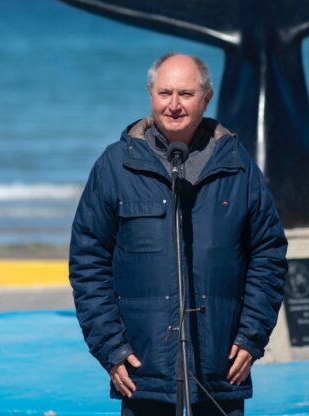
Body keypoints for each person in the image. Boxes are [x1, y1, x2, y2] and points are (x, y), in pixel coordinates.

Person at [69, 52, 287, 415]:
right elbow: (88, 261)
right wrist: (111, 348)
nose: (173, 105)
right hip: (143, 373)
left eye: (185, 94)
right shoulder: (114, 166)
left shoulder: (237, 167)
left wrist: (251, 337)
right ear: (150, 95)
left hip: (221, 372)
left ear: (206, 98)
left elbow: (268, 253)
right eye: (164, 93)